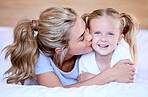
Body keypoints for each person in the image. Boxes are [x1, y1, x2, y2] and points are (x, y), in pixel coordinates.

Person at [3, 7, 135, 88]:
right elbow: (59, 92)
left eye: (87, 29)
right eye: (82, 37)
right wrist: (109, 75)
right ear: (61, 50)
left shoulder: (98, 45)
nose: (91, 37)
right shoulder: (40, 57)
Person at [78, 8, 138, 82]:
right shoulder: (85, 58)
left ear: (119, 39)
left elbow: (127, 81)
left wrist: (92, 78)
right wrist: (113, 78)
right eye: (97, 33)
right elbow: (85, 85)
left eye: (110, 34)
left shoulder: (122, 53)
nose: (103, 39)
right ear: (88, 33)